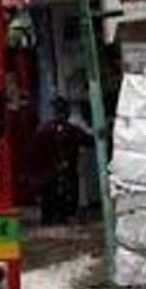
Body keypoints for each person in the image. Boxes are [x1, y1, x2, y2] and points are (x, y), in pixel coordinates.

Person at [28, 96, 93, 226]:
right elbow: (89, 141)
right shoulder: (68, 130)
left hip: (52, 172)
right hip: (59, 172)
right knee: (62, 197)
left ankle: (53, 219)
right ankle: (61, 218)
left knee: (52, 200)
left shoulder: (45, 130)